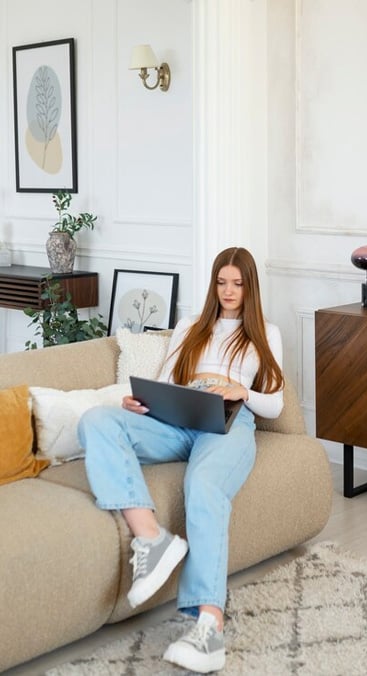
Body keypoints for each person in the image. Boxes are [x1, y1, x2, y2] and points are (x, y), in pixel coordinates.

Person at [78, 247, 284, 673]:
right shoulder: (190, 325)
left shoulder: (266, 332)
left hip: (228, 422)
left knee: (204, 486)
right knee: (98, 420)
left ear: (250, 287)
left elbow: (276, 405)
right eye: (221, 282)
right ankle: (152, 539)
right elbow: (167, 380)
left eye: (237, 284)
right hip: (176, 418)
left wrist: (242, 391)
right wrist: (143, 403)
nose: (228, 291)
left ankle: (209, 626)